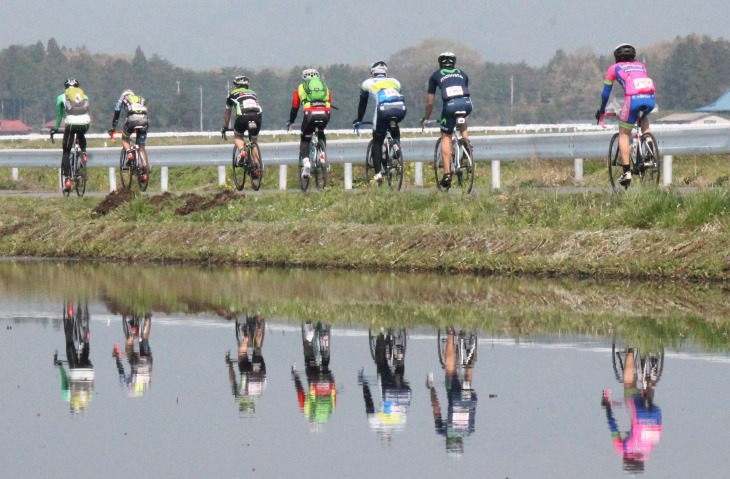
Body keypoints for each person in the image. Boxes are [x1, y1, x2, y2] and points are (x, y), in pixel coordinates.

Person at [596, 43, 657, 187]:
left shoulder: (613, 68)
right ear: (633, 56)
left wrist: (602, 110)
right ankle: (647, 139)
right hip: (650, 98)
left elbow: (605, 94)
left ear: (617, 57)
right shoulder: (641, 66)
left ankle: (626, 172)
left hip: (632, 99)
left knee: (623, 133)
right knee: (642, 117)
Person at [601, 347, 663, 473]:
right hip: (639, 417)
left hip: (656, 417)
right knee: (629, 384)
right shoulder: (623, 449)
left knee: (647, 402)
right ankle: (630, 350)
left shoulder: (648, 449)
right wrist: (607, 406)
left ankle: (651, 380)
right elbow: (613, 426)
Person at [421, 52, 473, 188]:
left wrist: (426, 117)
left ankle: (447, 174)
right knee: (462, 116)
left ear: (440, 63)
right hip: (467, 104)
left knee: (446, 136)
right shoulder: (462, 73)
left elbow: (430, 103)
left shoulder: (435, 75)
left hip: (450, 106)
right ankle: (465, 141)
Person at [426, 327, 478, 456]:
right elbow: (436, 408)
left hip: (471, 399)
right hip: (454, 397)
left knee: (468, 388)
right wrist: (432, 389)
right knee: (450, 370)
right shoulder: (444, 432)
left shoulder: (469, 431)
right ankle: (450, 333)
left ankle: (471, 359)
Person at [353, 61, 407, 184]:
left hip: (383, 109)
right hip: (400, 108)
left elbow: (363, 104)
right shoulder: (395, 82)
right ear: (385, 73)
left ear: (372, 74)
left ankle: (378, 174)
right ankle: (396, 147)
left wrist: (359, 119)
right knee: (394, 127)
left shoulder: (367, 83)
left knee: (377, 139)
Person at [358, 329, 412, 445]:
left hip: (405, 393)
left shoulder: (400, 425)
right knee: (380, 362)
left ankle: (400, 359)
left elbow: (406, 408)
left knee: (399, 378)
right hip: (389, 392)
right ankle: (381, 333)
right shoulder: (375, 424)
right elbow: (369, 402)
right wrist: (364, 385)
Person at [287, 68, 332, 179]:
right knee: (321, 131)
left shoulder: (300, 88)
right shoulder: (325, 87)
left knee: (305, 137)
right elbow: (329, 101)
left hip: (310, 113)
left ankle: (306, 162)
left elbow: (295, 107)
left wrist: (291, 121)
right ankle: (322, 155)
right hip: (325, 112)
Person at [291, 321, 336, 431]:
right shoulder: (309, 413)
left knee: (325, 364)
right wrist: (296, 377)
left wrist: (332, 383)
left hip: (328, 381)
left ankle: (325, 338)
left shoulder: (330, 412)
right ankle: (310, 337)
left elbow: (334, 397)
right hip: (314, 381)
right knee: (309, 358)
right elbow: (300, 394)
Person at [54, 301, 94, 415]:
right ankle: (70, 315)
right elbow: (63, 378)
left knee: (85, 353)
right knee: (69, 343)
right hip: (76, 370)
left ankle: (86, 339)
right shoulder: (68, 398)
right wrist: (60, 366)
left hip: (89, 372)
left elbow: (91, 389)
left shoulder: (88, 400)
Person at [225, 315, 267, 418]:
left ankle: (258, 329)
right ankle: (245, 338)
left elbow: (264, 383)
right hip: (247, 376)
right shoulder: (238, 398)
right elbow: (232, 379)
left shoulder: (257, 397)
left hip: (260, 374)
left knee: (257, 351)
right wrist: (230, 365)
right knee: (242, 355)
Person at [221, 75, 263, 177]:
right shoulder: (253, 93)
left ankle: (243, 151)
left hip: (243, 117)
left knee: (238, 135)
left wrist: (225, 127)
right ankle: (257, 166)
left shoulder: (231, 94)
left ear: (236, 85)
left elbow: (228, 113)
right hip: (257, 116)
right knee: (253, 141)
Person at [54, 78, 90, 193]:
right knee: (81, 134)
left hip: (70, 124)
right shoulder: (84, 96)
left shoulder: (61, 97)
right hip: (85, 123)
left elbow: (60, 116)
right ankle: (83, 154)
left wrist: (55, 128)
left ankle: (68, 180)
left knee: (66, 151)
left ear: (66, 87)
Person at [108, 89, 150, 181]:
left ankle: (129, 153)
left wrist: (113, 127)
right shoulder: (141, 98)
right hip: (144, 121)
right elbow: (146, 113)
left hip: (132, 120)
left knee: (125, 137)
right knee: (141, 146)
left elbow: (116, 114)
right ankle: (145, 170)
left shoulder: (123, 99)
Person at [113, 313, 153, 398]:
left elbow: (149, 380)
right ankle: (132, 334)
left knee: (145, 340)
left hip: (147, 364)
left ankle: (148, 318)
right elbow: (121, 373)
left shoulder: (143, 388)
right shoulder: (127, 388)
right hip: (136, 365)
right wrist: (117, 359)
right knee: (128, 347)